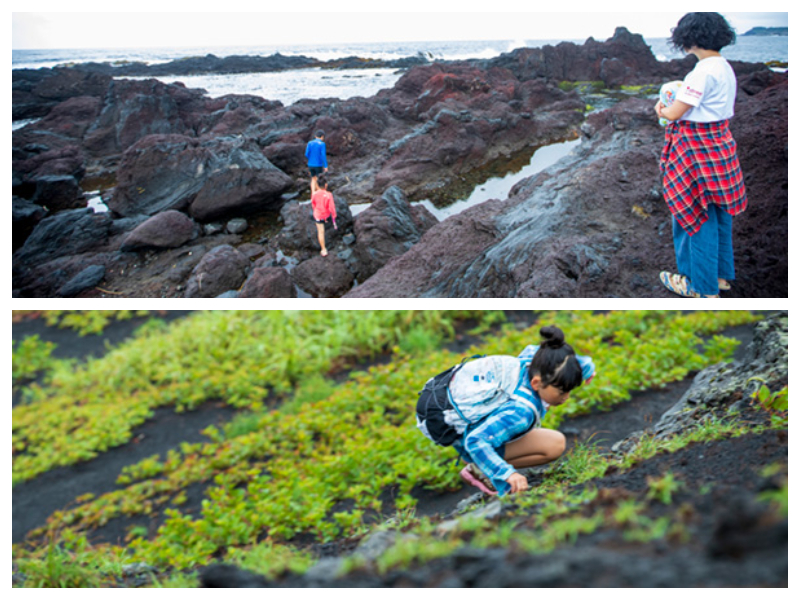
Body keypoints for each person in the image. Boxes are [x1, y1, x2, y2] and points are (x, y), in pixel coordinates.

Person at [417, 325, 595, 497]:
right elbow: (476, 440)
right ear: (536, 383)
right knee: (554, 445)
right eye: (562, 392)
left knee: (517, 433)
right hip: (456, 429)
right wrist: (507, 474)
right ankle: (479, 469)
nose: (566, 397)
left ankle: (484, 459)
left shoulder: (534, 359)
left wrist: (584, 367)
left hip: (444, 396)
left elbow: (554, 355)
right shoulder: (521, 411)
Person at [655, 12, 747, 298]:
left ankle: (700, 287)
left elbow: (673, 113)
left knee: (693, 214)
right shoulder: (723, 67)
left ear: (691, 39)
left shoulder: (702, 72)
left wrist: (660, 107)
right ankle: (720, 276)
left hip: (696, 149)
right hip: (719, 144)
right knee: (718, 212)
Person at [311, 174, 337, 257]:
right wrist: (334, 216)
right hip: (326, 215)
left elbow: (313, 204)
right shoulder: (329, 194)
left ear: (317, 185)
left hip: (318, 215)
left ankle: (323, 249)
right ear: (326, 185)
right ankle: (327, 221)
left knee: (320, 232)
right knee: (325, 226)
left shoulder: (314, 194)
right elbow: (332, 207)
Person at [305, 129, 328, 197]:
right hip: (318, 164)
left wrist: (310, 159)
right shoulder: (322, 144)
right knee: (319, 178)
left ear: (315, 136)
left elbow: (306, 154)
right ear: (322, 136)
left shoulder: (310, 143)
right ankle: (319, 193)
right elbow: (323, 155)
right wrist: (325, 166)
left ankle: (313, 193)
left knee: (313, 178)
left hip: (310, 164)